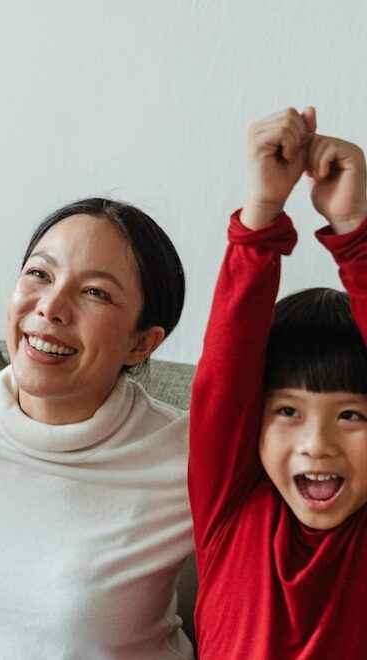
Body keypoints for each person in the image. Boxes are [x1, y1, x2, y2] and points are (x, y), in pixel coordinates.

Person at [0, 197, 193, 659]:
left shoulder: (184, 452)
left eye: (95, 292)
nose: (51, 307)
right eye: (39, 274)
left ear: (141, 343)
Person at [189, 106, 367, 658]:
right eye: (287, 412)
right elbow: (225, 377)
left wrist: (356, 234)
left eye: (352, 415)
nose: (317, 443)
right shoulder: (232, 508)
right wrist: (259, 216)